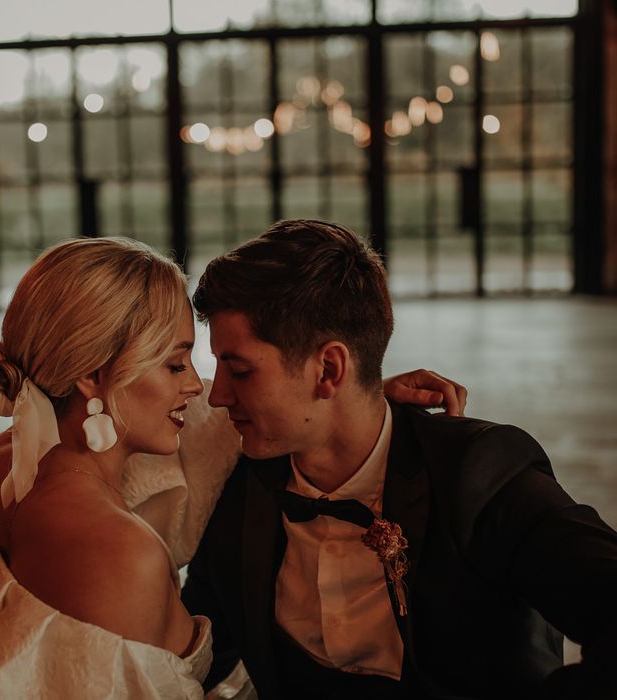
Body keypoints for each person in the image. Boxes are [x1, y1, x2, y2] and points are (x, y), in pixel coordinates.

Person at [0, 236, 465, 699]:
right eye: (176, 365)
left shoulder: (11, 463)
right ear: (92, 375)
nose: (200, 389)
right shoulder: (115, 553)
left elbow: (221, 426)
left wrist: (354, 392)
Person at [182, 219, 617, 700]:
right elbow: (193, 653)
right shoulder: (236, 486)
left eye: (239, 370)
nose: (217, 395)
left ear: (329, 369)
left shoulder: (477, 475)